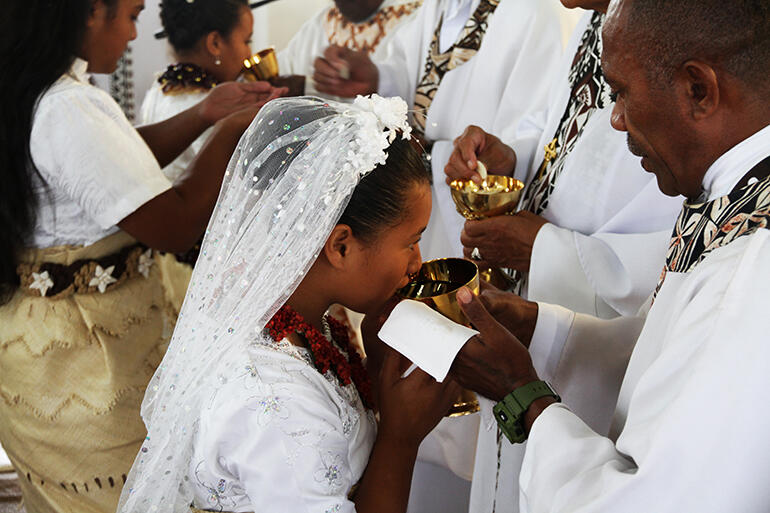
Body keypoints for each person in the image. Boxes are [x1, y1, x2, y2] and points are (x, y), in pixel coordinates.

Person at [442, 0, 770, 510]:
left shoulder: (748, 271)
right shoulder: (735, 183)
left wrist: (525, 397)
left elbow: (655, 500)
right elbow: (671, 344)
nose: (613, 120)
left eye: (620, 93)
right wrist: (543, 329)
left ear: (699, 91)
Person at [0, 1, 283, 512]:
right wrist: (231, 135)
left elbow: (116, 164)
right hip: (84, 364)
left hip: (44, 342)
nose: (134, 33)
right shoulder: (66, 104)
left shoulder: (39, 89)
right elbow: (172, 226)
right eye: (129, 15)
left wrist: (203, 113)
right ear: (88, 12)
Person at [118, 94, 459, 513]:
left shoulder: (312, 320)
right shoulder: (274, 403)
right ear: (341, 245)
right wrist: (401, 438)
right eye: (411, 241)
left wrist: (375, 369)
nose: (417, 263)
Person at [314, 0, 565, 262]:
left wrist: (435, 156)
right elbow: (416, 68)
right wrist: (379, 78)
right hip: (417, 210)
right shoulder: (441, 5)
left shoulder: (535, 14)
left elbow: (528, 143)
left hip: (465, 224)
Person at [142, 0, 265, 182]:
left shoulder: (158, 90)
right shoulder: (216, 111)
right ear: (214, 43)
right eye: (247, 41)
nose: (249, 54)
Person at [277, 0, 422, 99]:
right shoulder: (321, 21)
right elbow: (282, 68)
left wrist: (308, 89)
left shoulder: (419, 19)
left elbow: (414, 102)